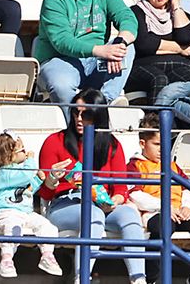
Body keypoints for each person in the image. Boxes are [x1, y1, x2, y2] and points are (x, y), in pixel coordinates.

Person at [36, 90, 146, 272]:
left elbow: (120, 188)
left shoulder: (112, 144)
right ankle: (82, 278)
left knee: (130, 216)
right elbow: (45, 194)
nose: (79, 118)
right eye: (75, 112)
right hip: (64, 204)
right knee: (92, 215)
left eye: (86, 114)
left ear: (98, 115)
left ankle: (138, 278)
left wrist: (114, 202)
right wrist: (51, 179)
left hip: (102, 204)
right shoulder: (55, 141)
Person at [34, 0, 137, 110]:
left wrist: (120, 43)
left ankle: (103, 104)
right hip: (60, 59)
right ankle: (74, 125)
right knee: (61, 84)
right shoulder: (54, 0)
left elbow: (127, 18)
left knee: (127, 48)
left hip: (96, 60)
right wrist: (100, 51)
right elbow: (62, 41)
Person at [127, 114, 190, 279]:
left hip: (180, 212)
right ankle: (151, 278)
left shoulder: (172, 165)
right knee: (163, 230)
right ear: (143, 143)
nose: (161, 149)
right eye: (157, 144)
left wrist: (188, 206)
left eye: (165, 144)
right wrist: (164, 206)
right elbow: (135, 195)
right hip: (155, 213)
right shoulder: (134, 166)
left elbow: (189, 189)